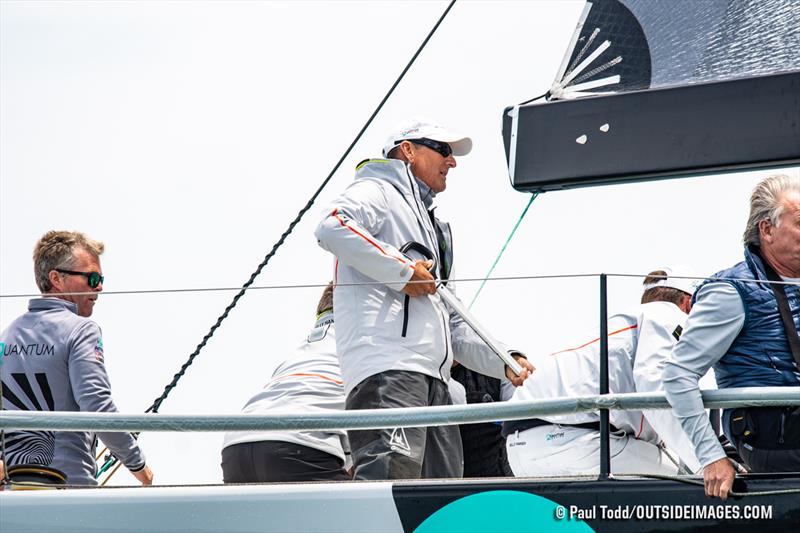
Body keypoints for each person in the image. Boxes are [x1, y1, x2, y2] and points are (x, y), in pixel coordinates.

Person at [314, 117, 532, 480]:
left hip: (437, 381)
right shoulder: (378, 189)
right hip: (388, 369)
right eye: (444, 150)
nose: (453, 162)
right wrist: (402, 271)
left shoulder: (435, 229)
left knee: (441, 497)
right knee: (388, 483)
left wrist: (502, 360)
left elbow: (455, 323)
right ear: (408, 151)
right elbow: (331, 225)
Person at [664, 174, 800, 500]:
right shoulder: (730, 292)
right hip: (771, 434)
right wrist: (710, 455)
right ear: (767, 230)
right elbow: (678, 374)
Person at [503, 268, 703, 477]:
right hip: (569, 439)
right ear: (688, 304)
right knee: (687, 481)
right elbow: (657, 391)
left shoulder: (621, 326)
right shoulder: (667, 316)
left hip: (520, 447)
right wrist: (707, 462)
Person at [0, 231, 152, 486]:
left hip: (14, 493)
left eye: (101, 279)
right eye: (92, 278)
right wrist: (139, 466)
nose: (99, 286)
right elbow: (97, 405)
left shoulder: (6, 337)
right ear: (56, 278)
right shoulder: (81, 329)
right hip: (69, 490)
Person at [220, 284, 352, 483]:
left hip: (237, 445)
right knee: (369, 512)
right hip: (299, 444)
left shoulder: (302, 351)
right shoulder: (360, 347)